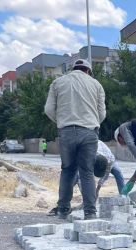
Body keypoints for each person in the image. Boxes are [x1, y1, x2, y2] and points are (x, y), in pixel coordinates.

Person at [44, 58, 106, 220]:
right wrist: (91, 123)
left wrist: (62, 123)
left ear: (73, 69)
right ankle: (90, 213)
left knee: (68, 170)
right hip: (89, 132)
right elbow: (102, 114)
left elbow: (49, 109)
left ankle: (63, 209)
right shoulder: (96, 85)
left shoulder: (57, 83)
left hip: (66, 132)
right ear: (88, 71)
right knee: (87, 172)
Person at [47, 140, 125, 216]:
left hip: (107, 157)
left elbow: (106, 173)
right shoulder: (86, 157)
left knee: (118, 173)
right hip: (85, 152)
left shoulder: (109, 160)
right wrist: (88, 196)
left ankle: (124, 197)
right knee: (73, 178)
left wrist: (97, 189)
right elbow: (82, 179)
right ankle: (62, 205)